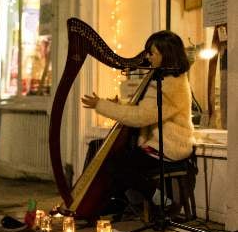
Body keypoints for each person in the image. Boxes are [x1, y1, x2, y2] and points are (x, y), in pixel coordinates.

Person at [81, 30, 194, 214]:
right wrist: (120, 104)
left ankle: (160, 200)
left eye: (152, 53)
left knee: (114, 162)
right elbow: (148, 109)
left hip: (169, 147)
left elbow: (140, 117)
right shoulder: (164, 77)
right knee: (97, 146)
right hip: (157, 143)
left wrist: (100, 105)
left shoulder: (169, 85)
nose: (148, 57)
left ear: (166, 54)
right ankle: (113, 203)